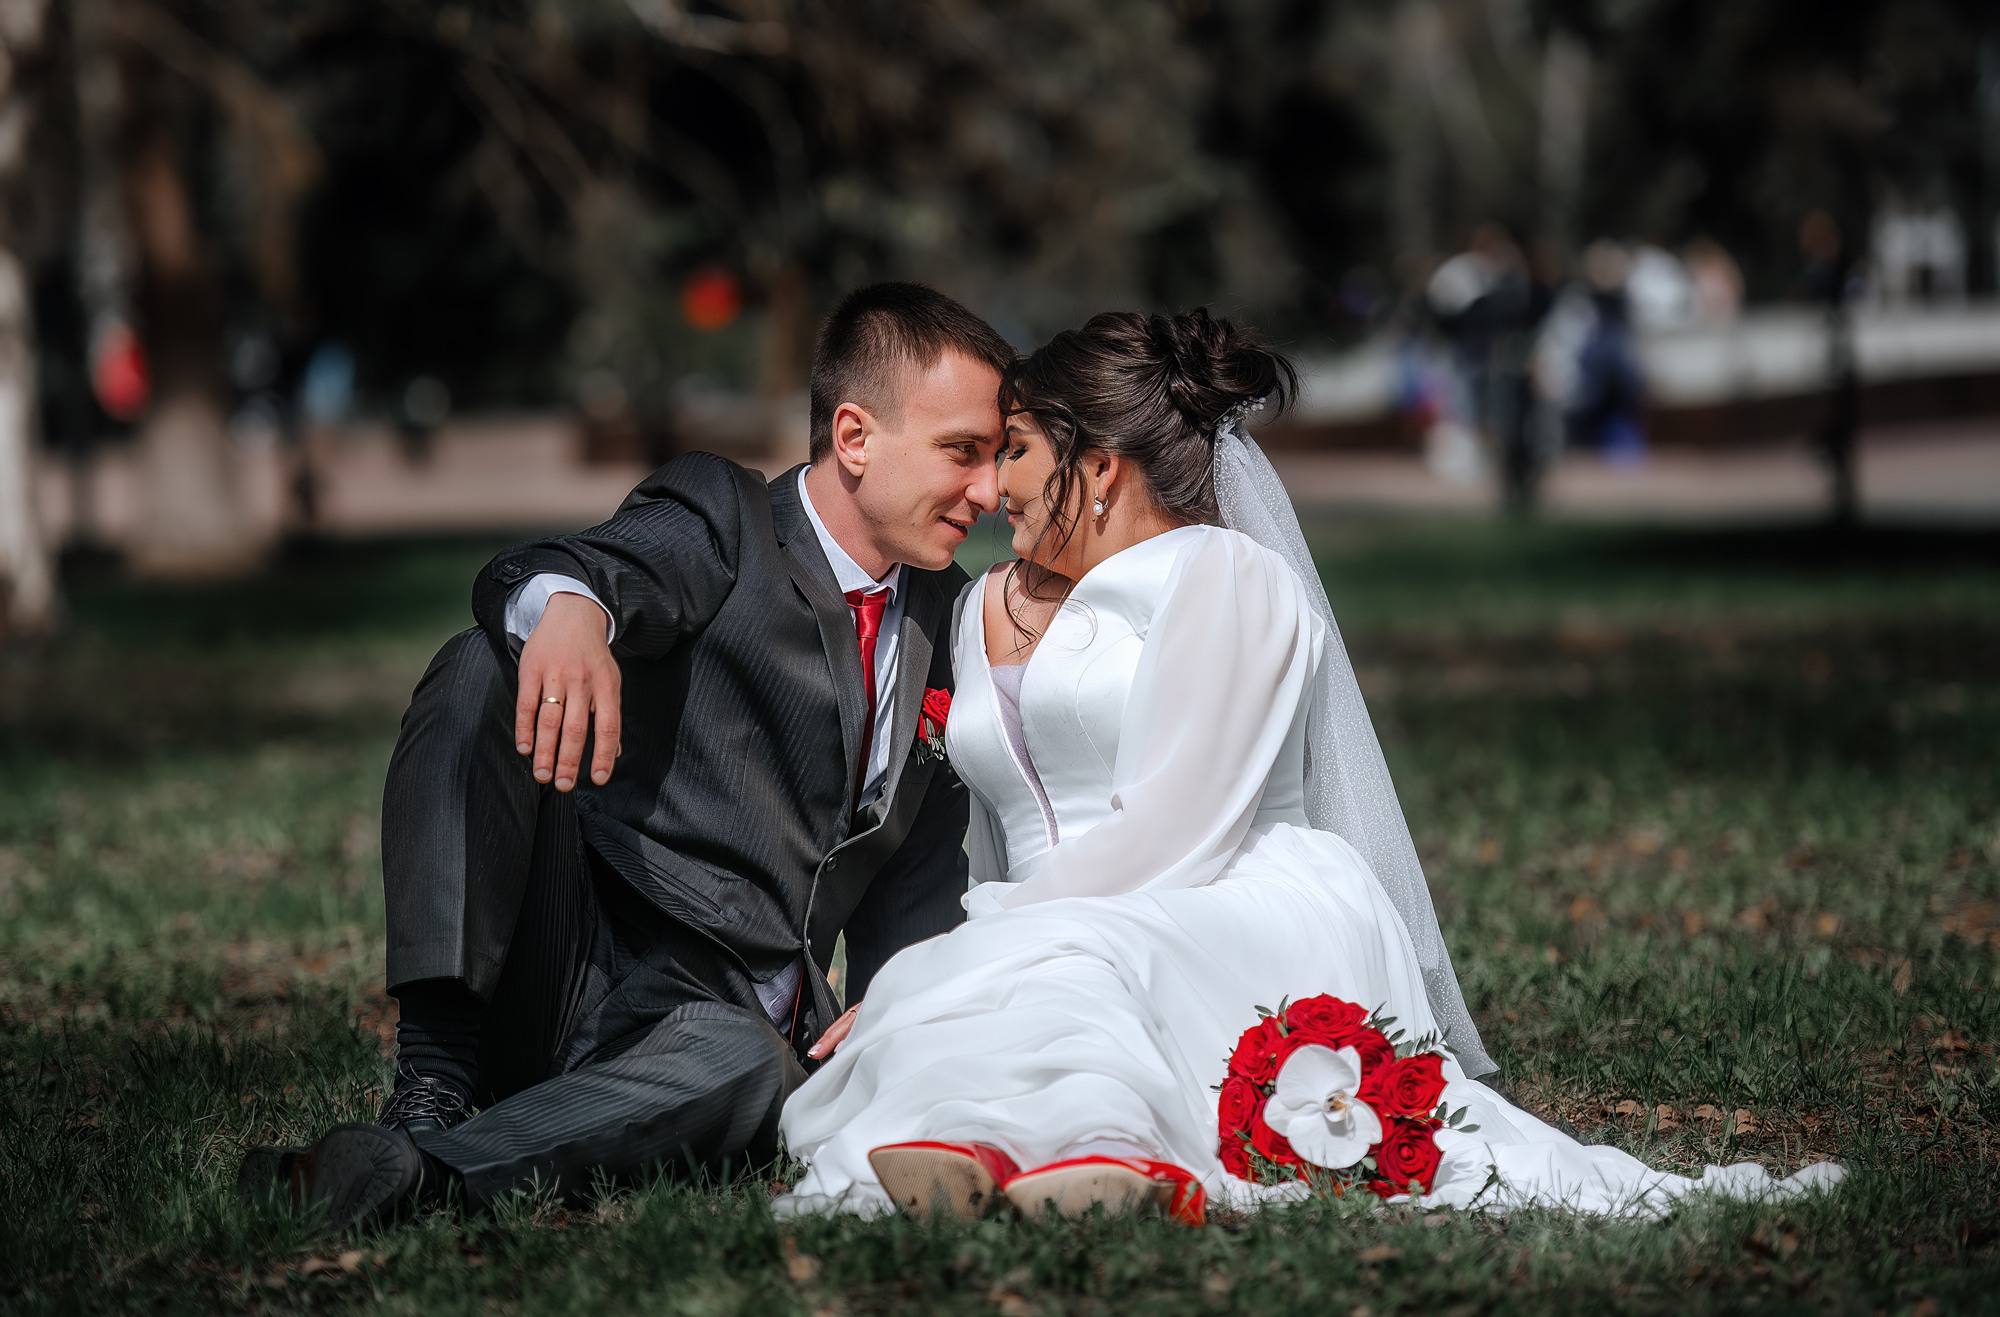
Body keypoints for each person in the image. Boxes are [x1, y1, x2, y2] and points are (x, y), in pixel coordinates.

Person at [775, 309, 1843, 1221]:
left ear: (1096, 468)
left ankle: (1102, 1148)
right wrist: (970, 949)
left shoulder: (1223, 577)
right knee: (1037, 977)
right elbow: (987, 834)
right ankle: (973, 1147)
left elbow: (1172, 829)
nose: (991, 484)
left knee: (1065, 968)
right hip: (1063, 917)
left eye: (1013, 450)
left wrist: (964, 952)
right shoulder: (976, 609)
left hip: (1222, 895)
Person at [238, 283, 1014, 1227]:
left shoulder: (954, 622)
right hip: (567, 951)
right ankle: (431, 1082)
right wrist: (572, 607)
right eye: (961, 452)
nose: (987, 490)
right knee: (485, 664)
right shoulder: (728, 517)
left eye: (995, 456)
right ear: (855, 437)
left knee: (747, 1064)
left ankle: (419, 1174)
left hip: (722, 1031)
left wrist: (901, 1007)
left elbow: (912, 883)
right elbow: (591, 563)